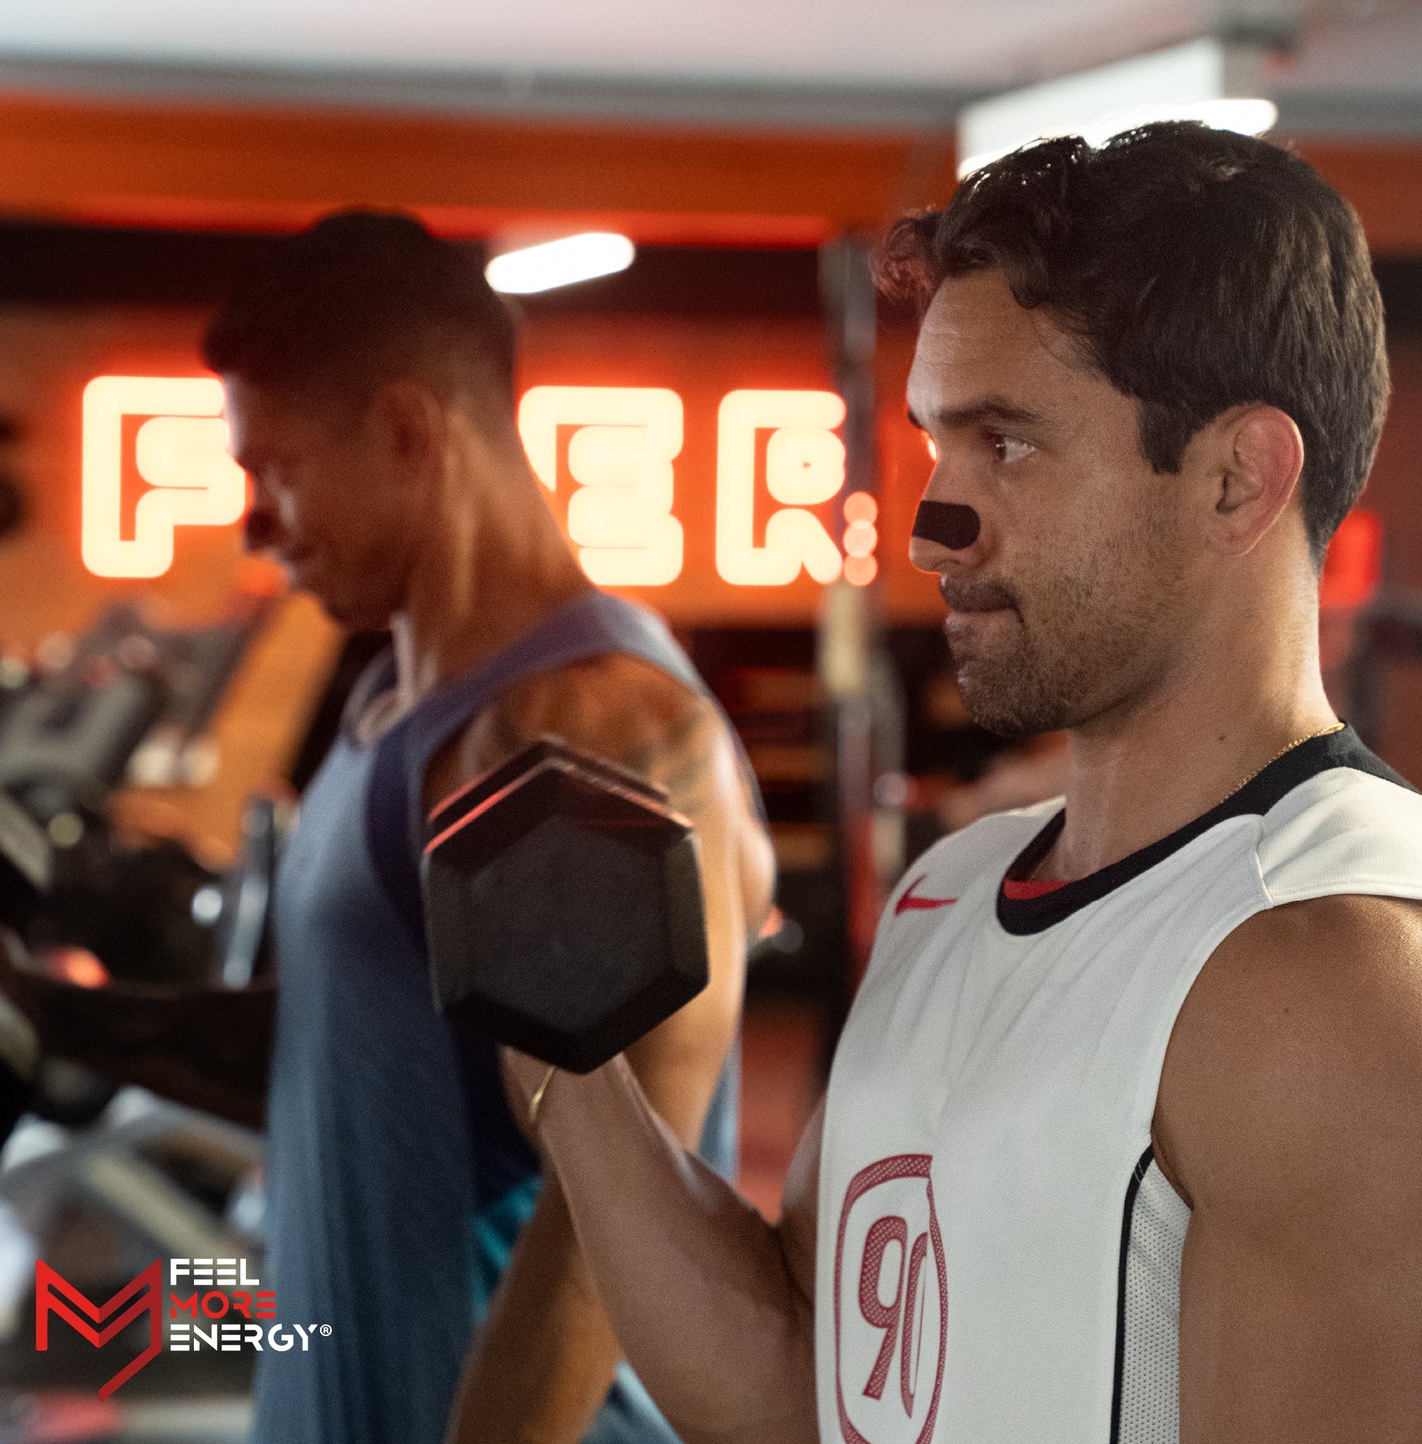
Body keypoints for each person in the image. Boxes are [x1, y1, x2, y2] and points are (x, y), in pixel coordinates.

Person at [501, 123, 1422, 1443]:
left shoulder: (1322, 978)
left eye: (1008, 446)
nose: (930, 521)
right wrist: (570, 1058)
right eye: (936, 442)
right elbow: (795, 1390)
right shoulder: (958, 887)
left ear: (1237, 478)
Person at [0, 212, 774, 1444]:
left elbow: (606, 1218)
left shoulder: (591, 730)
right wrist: (46, 1015)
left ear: (407, 430)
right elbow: (342, 1058)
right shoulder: (384, 699)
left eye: (276, 469)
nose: (255, 523)